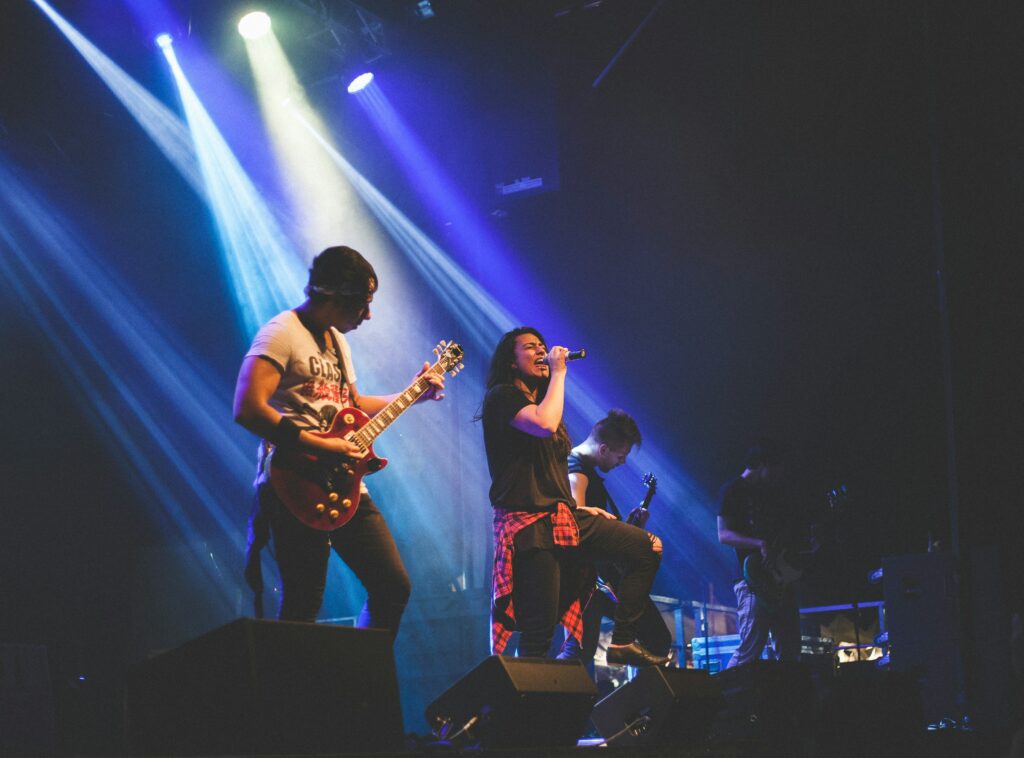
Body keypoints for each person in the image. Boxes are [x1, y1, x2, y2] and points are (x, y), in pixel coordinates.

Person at [233, 245, 444, 637]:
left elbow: (353, 404)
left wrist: (412, 393)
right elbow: (247, 408)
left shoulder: (337, 342)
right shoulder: (282, 333)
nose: (368, 314)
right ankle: (290, 698)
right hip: (293, 482)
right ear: (335, 295)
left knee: (392, 585)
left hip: (344, 483)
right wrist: (321, 445)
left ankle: (360, 674)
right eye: (362, 303)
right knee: (303, 602)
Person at [480, 327, 667, 666]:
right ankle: (526, 710)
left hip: (561, 519)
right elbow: (544, 425)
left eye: (543, 346)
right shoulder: (502, 396)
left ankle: (623, 641)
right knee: (539, 631)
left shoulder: (543, 402)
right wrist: (560, 372)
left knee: (647, 546)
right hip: (529, 525)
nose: (541, 352)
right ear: (510, 361)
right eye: (530, 348)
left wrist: (587, 511)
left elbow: (552, 475)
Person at [560, 410, 672, 668]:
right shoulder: (576, 468)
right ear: (603, 448)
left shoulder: (586, 469)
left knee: (656, 640)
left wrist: (628, 530)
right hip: (591, 582)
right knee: (577, 654)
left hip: (600, 578)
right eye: (621, 456)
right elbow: (577, 517)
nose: (622, 463)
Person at [717, 439, 800, 667]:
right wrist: (758, 543)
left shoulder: (772, 493)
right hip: (751, 579)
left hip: (780, 578)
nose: (780, 475)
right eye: (777, 468)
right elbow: (723, 534)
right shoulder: (733, 490)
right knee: (751, 647)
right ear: (763, 464)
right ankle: (727, 698)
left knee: (790, 647)